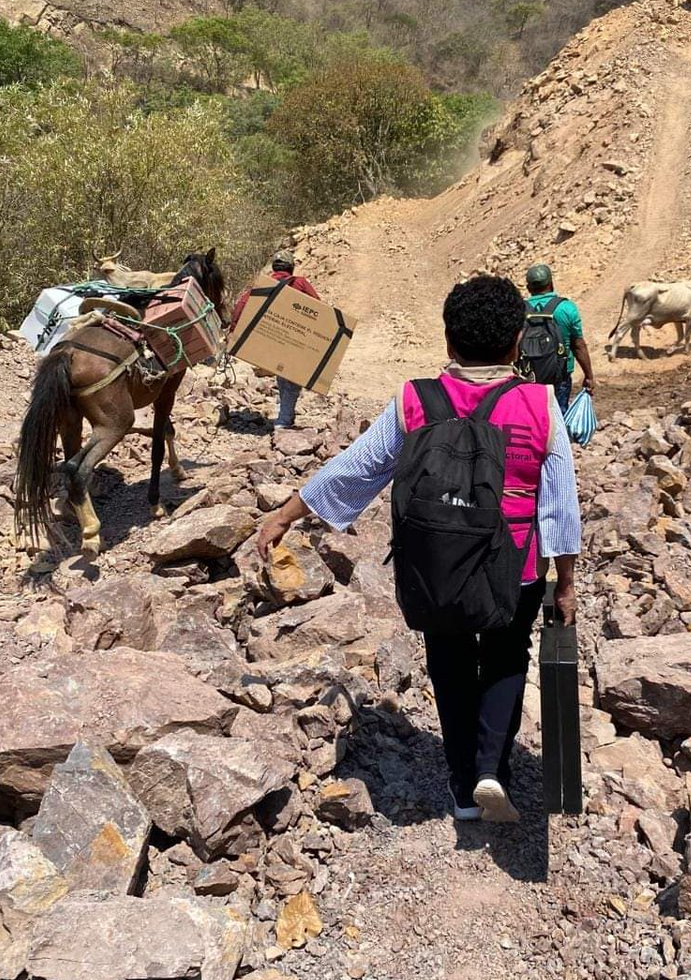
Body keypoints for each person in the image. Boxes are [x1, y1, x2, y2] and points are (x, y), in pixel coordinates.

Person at [257, 275, 581, 824]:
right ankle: (489, 771)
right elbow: (559, 506)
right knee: (506, 658)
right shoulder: (541, 405)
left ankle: (460, 792)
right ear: (515, 344)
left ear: (449, 342)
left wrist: (288, 513)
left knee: (450, 663)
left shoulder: (415, 400)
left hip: (436, 567)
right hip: (516, 568)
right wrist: (566, 582)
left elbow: (356, 468)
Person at [230, 247, 321, 430]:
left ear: (274, 266)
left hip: (272, 340)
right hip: (296, 340)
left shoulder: (264, 284)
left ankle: (285, 414)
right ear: (290, 268)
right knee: (292, 378)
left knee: (282, 375)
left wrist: (234, 331)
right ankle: (284, 418)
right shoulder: (300, 283)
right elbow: (319, 308)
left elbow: (241, 304)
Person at [524, 263, 595, 414]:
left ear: (529, 288)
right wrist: (588, 375)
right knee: (558, 418)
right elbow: (578, 345)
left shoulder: (518, 310)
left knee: (532, 417)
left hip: (529, 377)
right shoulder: (566, 308)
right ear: (551, 283)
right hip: (559, 375)